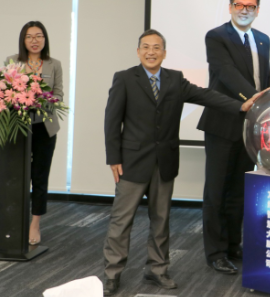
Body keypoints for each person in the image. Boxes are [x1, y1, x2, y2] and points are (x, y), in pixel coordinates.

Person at [102, 29, 260, 296]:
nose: (151, 52)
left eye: (156, 47)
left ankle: (157, 270)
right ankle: (112, 274)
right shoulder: (125, 78)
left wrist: (240, 106)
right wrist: (113, 157)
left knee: (161, 220)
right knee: (121, 221)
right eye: (146, 47)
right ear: (138, 51)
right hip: (132, 162)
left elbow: (206, 95)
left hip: (164, 162)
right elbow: (111, 119)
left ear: (164, 53)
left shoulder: (174, 79)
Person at [197, 0, 270, 275]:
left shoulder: (263, 39)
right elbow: (226, 73)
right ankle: (215, 252)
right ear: (230, 7)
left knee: (240, 191)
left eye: (250, 6)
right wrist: (255, 99)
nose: (244, 10)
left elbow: (263, 78)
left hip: (250, 127)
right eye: (239, 5)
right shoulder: (216, 36)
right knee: (216, 192)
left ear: (257, 10)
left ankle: (232, 245)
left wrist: (263, 108)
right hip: (222, 123)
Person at [6, 21, 63, 246]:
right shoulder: (12, 61)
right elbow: (5, 91)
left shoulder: (54, 64)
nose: (34, 40)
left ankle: (35, 223)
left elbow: (59, 95)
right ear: (23, 40)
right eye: (29, 37)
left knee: (39, 176)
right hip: (18, 127)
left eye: (39, 36)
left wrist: (41, 100)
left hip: (45, 128)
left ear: (45, 39)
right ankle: (15, 220)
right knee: (18, 177)